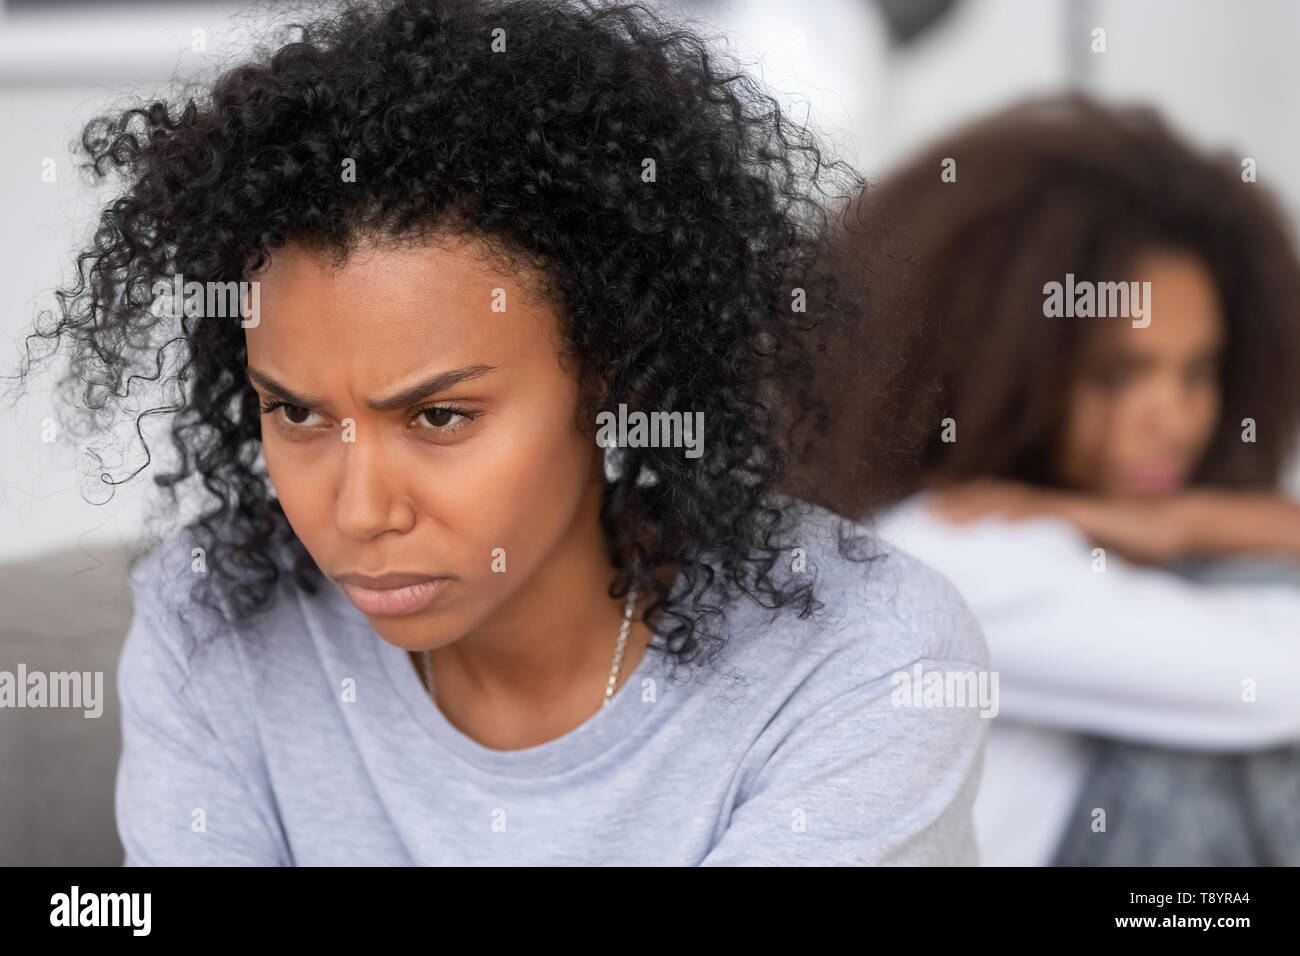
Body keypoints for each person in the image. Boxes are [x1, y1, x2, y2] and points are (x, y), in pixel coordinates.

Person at [10, 0, 988, 865]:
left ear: (618, 376)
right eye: (297, 412)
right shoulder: (213, 617)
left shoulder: (862, 657)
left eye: (438, 416)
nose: (356, 509)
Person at [801, 93, 1300, 865]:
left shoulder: (1089, 528)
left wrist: (1183, 524)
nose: (1172, 416)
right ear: (1002, 366)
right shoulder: (956, 549)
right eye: (1120, 375)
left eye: (1197, 371)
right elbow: (1277, 683)